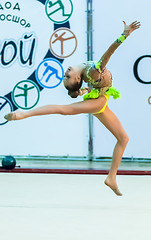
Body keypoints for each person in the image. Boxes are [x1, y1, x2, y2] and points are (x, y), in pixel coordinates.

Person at [4, 20, 141, 196]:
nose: (66, 71)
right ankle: (23, 114)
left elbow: (88, 87)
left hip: (99, 100)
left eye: (65, 75)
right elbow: (108, 55)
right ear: (77, 79)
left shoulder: (85, 75)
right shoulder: (92, 71)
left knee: (123, 138)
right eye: (68, 76)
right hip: (99, 101)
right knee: (64, 109)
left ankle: (111, 177)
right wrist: (124, 35)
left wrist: (85, 90)